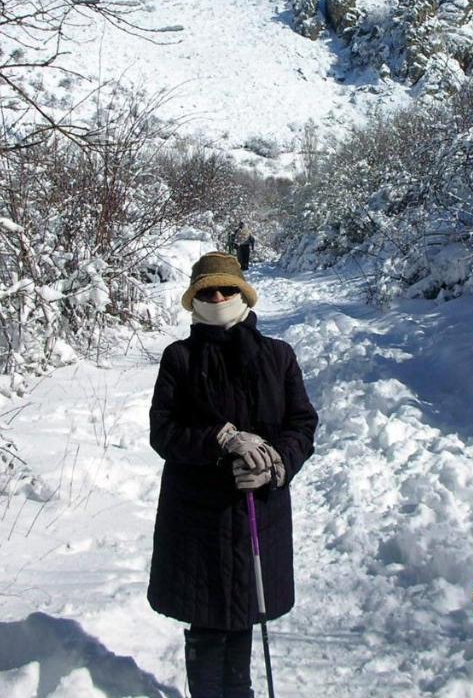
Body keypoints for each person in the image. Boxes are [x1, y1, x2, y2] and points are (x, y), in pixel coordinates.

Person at [147, 251, 318, 698]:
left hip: (258, 512)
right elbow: (163, 433)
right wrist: (220, 439)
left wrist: (275, 463)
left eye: (226, 288)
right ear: (195, 298)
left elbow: (302, 424)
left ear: (242, 293)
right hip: (197, 517)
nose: (218, 296)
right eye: (207, 290)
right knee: (205, 622)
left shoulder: (278, 356)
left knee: (245, 613)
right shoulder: (179, 358)